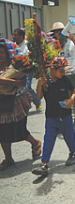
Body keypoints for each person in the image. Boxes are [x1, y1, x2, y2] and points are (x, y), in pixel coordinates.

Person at [32, 57, 75, 176]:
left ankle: (74, 153)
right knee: (48, 139)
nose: (63, 73)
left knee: (69, 136)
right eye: (61, 70)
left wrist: (71, 100)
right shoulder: (45, 80)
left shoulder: (65, 79)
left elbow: (73, 90)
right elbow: (38, 97)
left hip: (65, 115)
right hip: (51, 116)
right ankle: (44, 163)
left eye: (65, 70)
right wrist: (39, 85)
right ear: (52, 68)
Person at [0, 40, 42, 171]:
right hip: (1, 102)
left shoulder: (16, 66)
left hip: (15, 102)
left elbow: (22, 83)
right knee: (1, 132)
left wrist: (3, 80)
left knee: (19, 130)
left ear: (7, 54)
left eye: (1, 52)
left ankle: (35, 142)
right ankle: (8, 159)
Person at [50, 22, 75, 130]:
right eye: (56, 31)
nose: (59, 33)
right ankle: (64, 121)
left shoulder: (72, 41)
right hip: (60, 75)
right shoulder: (53, 44)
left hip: (74, 73)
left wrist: (73, 39)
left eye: (61, 30)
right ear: (54, 33)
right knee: (61, 98)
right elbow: (52, 59)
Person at [12, 28, 42, 112]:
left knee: (26, 87)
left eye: (15, 35)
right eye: (13, 35)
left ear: (21, 36)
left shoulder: (27, 45)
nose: (13, 37)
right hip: (16, 70)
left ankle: (37, 102)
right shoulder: (13, 46)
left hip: (27, 69)